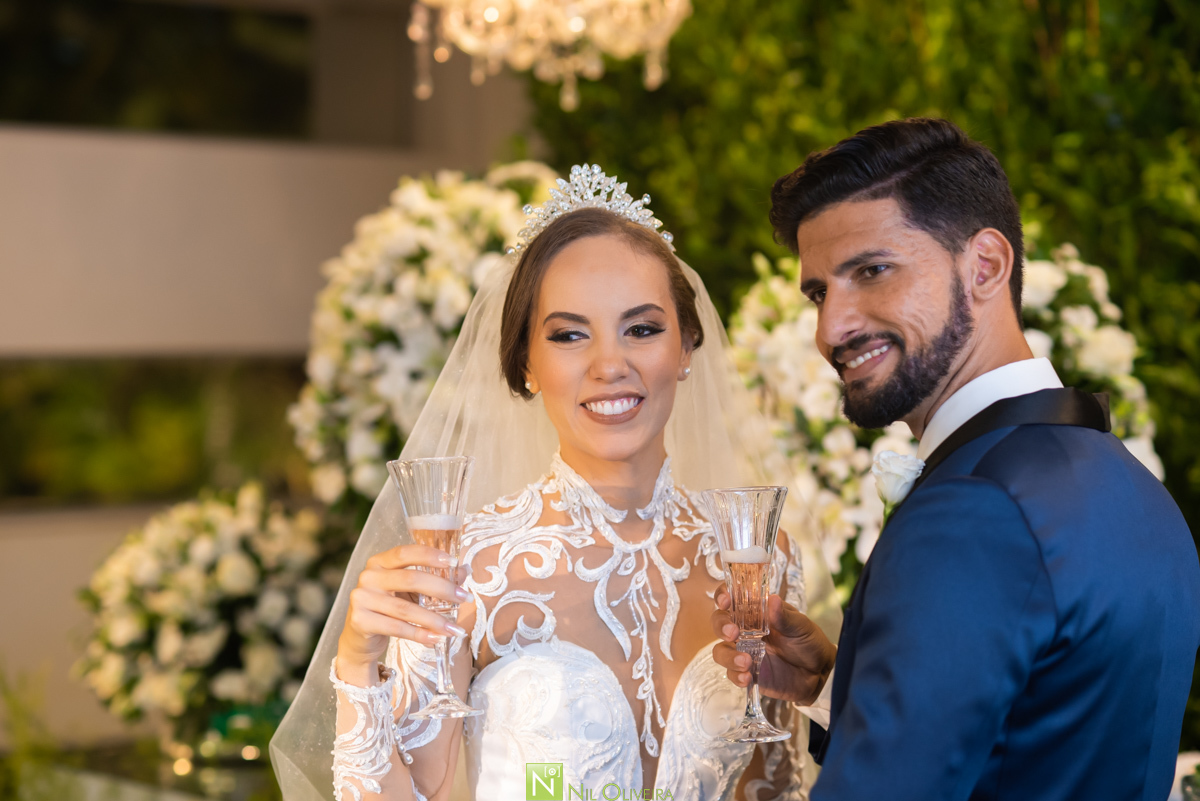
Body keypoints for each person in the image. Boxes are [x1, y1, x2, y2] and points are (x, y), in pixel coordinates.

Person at [270, 165, 842, 801]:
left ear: (686, 349)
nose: (609, 365)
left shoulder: (758, 561)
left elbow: (774, 789)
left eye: (642, 329)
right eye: (569, 335)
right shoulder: (463, 568)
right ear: (526, 364)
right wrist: (357, 662)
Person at [712, 117, 1200, 799]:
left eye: (872, 271)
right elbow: (1036, 739)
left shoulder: (972, 511)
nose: (830, 328)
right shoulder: (1132, 486)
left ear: (986, 266)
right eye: (820, 292)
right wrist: (834, 684)